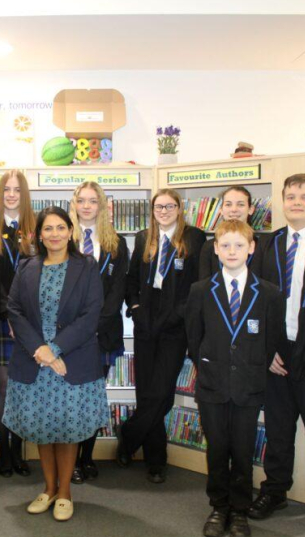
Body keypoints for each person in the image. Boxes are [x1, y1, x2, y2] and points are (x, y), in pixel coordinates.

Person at [248, 174, 305, 535]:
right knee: (278, 430)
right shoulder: (266, 244)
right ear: (282, 203)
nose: (297, 202)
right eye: (290, 196)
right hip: (277, 355)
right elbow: (256, 302)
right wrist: (266, 349)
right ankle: (275, 492)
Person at [4, 206, 106, 522]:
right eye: (48, 229)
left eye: (61, 228)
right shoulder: (26, 266)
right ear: (39, 234)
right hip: (35, 360)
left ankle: (65, 493)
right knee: (41, 428)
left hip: (71, 360)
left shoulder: (86, 266)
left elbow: (91, 315)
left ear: (70, 230)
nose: (55, 234)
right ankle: (48, 489)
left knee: (67, 429)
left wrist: (56, 348)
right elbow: (14, 310)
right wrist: (41, 350)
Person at [186, 219, 283, 537]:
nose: (232, 250)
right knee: (217, 448)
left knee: (242, 450)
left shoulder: (268, 293)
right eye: (225, 245)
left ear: (251, 248)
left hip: (249, 386)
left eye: (239, 245)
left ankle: (239, 510)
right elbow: (193, 338)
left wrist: (252, 367)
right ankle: (219, 507)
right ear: (215, 249)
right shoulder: (200, 291)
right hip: (212, 384)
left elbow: (271, 341)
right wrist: (212, 365)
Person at [118, 188, 205, 483]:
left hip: (175, 324)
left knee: (161, 392)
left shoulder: (194, 238)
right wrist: (135, 307)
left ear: (180, 208)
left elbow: (198, 285)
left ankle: (128, 436)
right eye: (158, 206)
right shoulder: (144, 238)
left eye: (169, 206)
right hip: (146, 320)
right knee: (146, 391)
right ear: (152, 209)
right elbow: (131, 281)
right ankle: (156, 460)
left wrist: (177, 315)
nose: (164, 211)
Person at [68, 181, 128, 484]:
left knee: (92, 398)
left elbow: (117, 292)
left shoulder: (117, 243)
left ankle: (87, 457)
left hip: (102, 335)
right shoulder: (63, 240)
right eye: (82, 200)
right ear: (74, 204)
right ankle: (70, 461)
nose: (87, 206)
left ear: (102, 206)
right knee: (69, 398)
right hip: (67, 336)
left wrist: (92, 327)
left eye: (93, 201)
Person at [0, 169, 36, 477]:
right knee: (4, 385)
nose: (12, 195)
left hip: (30, 322)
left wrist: (22, 317)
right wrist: (8, 314)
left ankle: (19, 451)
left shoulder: (35, 228)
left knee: (23, 388)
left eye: (17, 189)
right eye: (7, 189)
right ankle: (4, 452)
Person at [199, 186, 258, 279]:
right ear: (221, 210)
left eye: (241, 204)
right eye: (228, 204)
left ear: (250, 209)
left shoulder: (263, 246)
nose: (234, 209)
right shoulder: (208, 247)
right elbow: (204, 285)